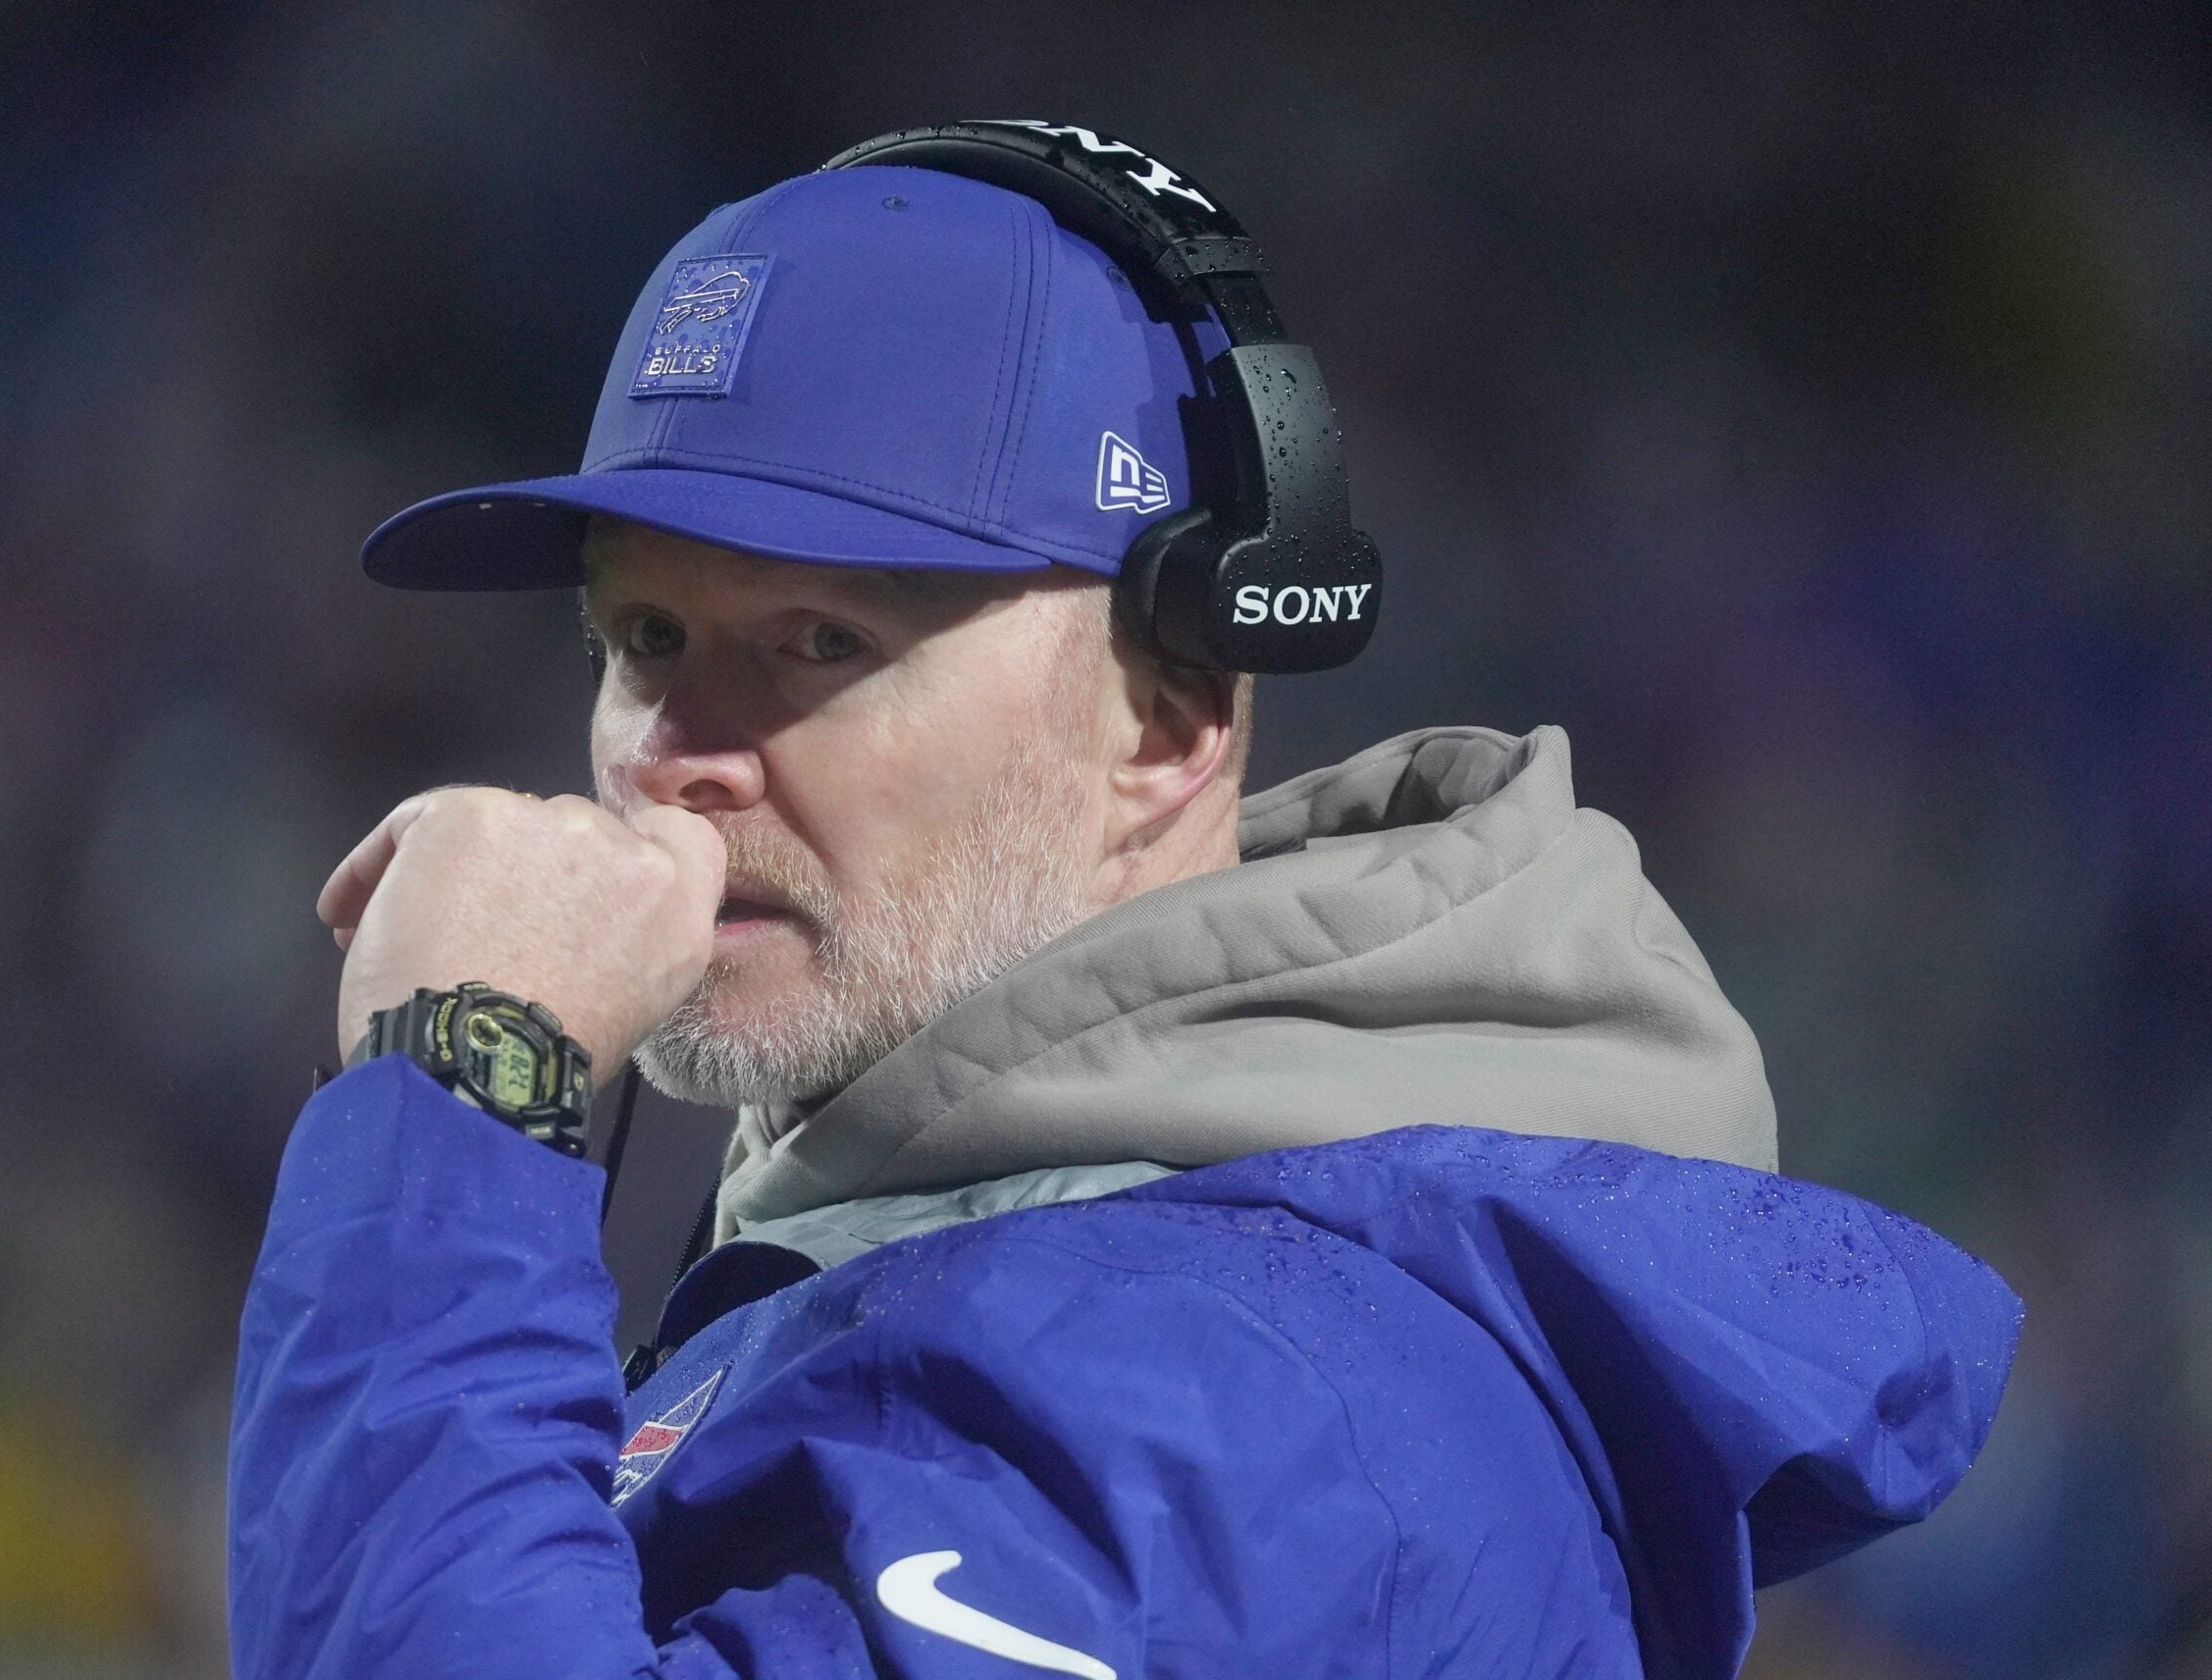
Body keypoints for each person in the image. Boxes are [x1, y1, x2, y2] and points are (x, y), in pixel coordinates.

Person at [229, 129, 2020, 1678]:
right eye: (646, 641)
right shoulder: (1036, 1278)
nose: (679, 756)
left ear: (1168, 722)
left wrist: (472, 1101)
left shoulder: (1254, 1395)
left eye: (820, 642)